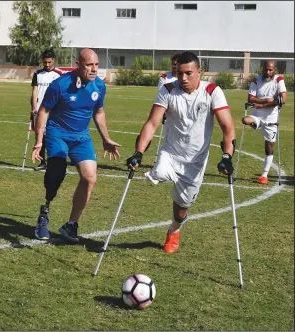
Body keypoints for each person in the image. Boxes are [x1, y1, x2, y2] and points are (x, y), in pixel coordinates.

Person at [127, 51, 236, 253]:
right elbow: (152, 123)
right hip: (170, 153)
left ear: (199, 72)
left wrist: (227, 157)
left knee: (181, 208)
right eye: (179, 74)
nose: (183, 79)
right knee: (157, 173)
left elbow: (227, 127)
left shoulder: (212, 91)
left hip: (195, 162)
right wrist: (138, 153)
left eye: (188, 73)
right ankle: (163, 176)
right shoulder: (168, 90)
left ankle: (174, 229)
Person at [31, 48, 120, 242]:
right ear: (78, 64)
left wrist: (106, 138)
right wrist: (39, 141)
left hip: (81, 136)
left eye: (96, 64)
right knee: (57, 172)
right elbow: (44, 111)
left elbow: (98, 112)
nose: (94, 69)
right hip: (57, 133)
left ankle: (71, 225)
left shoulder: (99, 86)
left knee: (90, 178)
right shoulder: (60, 85)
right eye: (89, 65)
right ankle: (44, 214)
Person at [242, 60, 287, 185]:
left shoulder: (279, 80)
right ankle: (255, 124)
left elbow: (282, 99)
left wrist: (262, 104)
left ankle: (264, 175)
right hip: (257, 115)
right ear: (262, 69)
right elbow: (250, 99)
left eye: (270, 70)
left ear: (275, 70)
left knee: (269, 146)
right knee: (245, 119)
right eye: (266, 69)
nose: (268, 72)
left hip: (271, 118)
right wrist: (268, 100)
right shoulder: (256, 80)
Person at [30, 50, 64, 171]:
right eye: (45, 62)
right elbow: (34, 91)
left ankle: (54, 162)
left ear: (53, 60)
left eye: (49, 62)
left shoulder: (59, 74)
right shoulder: (37, 73)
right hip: (39, 110)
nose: (47, 65)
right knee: (40, 136)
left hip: (54, 111)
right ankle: (42, 162)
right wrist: (34, 108)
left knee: (53, 136)